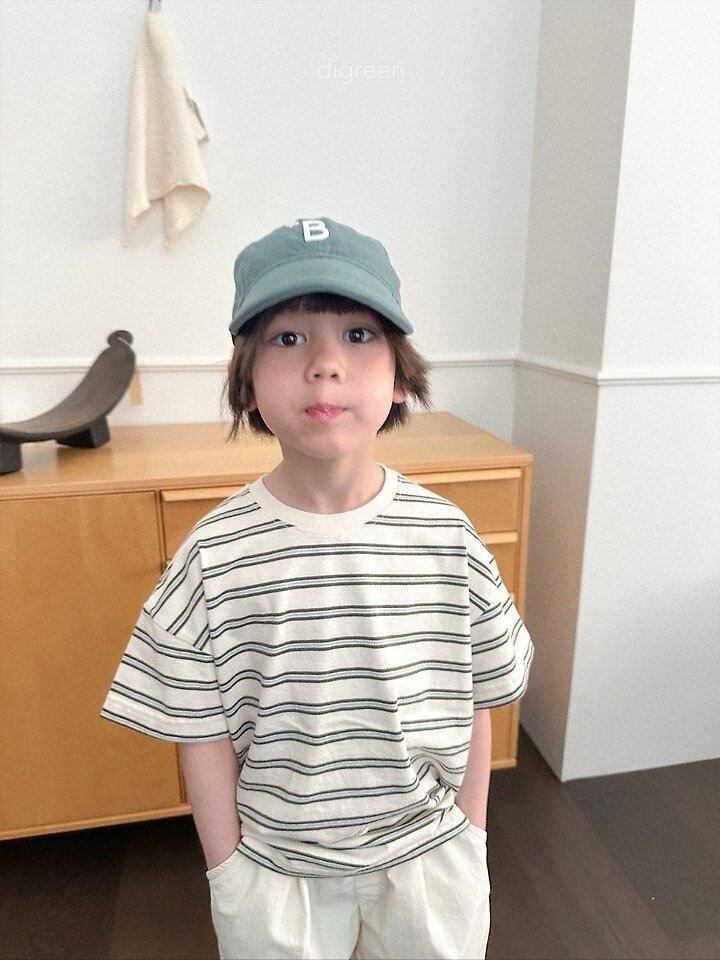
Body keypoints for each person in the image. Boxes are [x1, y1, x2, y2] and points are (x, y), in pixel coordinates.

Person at [100, 216, 534, 960]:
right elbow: (201, 731)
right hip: (275, 872)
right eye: (289, 337)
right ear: (246, 383)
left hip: (429, 858)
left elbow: (479, 694)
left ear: (400, 376)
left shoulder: (447, 537)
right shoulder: (213, 554)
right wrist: (229, 870)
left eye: (358, 335)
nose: (325, 364)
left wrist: (469, 832)